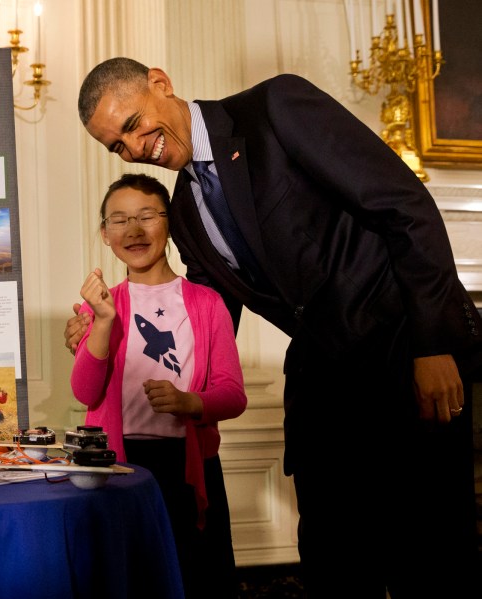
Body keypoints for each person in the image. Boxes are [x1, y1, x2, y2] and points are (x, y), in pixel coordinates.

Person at [65, 57, 482, 598]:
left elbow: (404, 207)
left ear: (160, 84)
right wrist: (108, 331)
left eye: (133, 124)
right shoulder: (186, 213)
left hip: (405, 354)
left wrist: (434, 345)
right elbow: (205, 315)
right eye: (117, 147)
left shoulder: (275, 108)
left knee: (431, 554)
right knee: (334, 559)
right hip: (322, 383)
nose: (136, 146)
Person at [71, 173, 246, 598]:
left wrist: (190, 402)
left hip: (187, 466)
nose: (133, 229)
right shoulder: (101, 306)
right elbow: (85, 392)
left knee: (195, 576)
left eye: (147, 216)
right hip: (118, 465)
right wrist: (104, 321)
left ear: (168, 223)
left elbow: (233, 393)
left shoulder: (207, 302)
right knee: (130, 579)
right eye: (120, 220)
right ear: (105, 233)